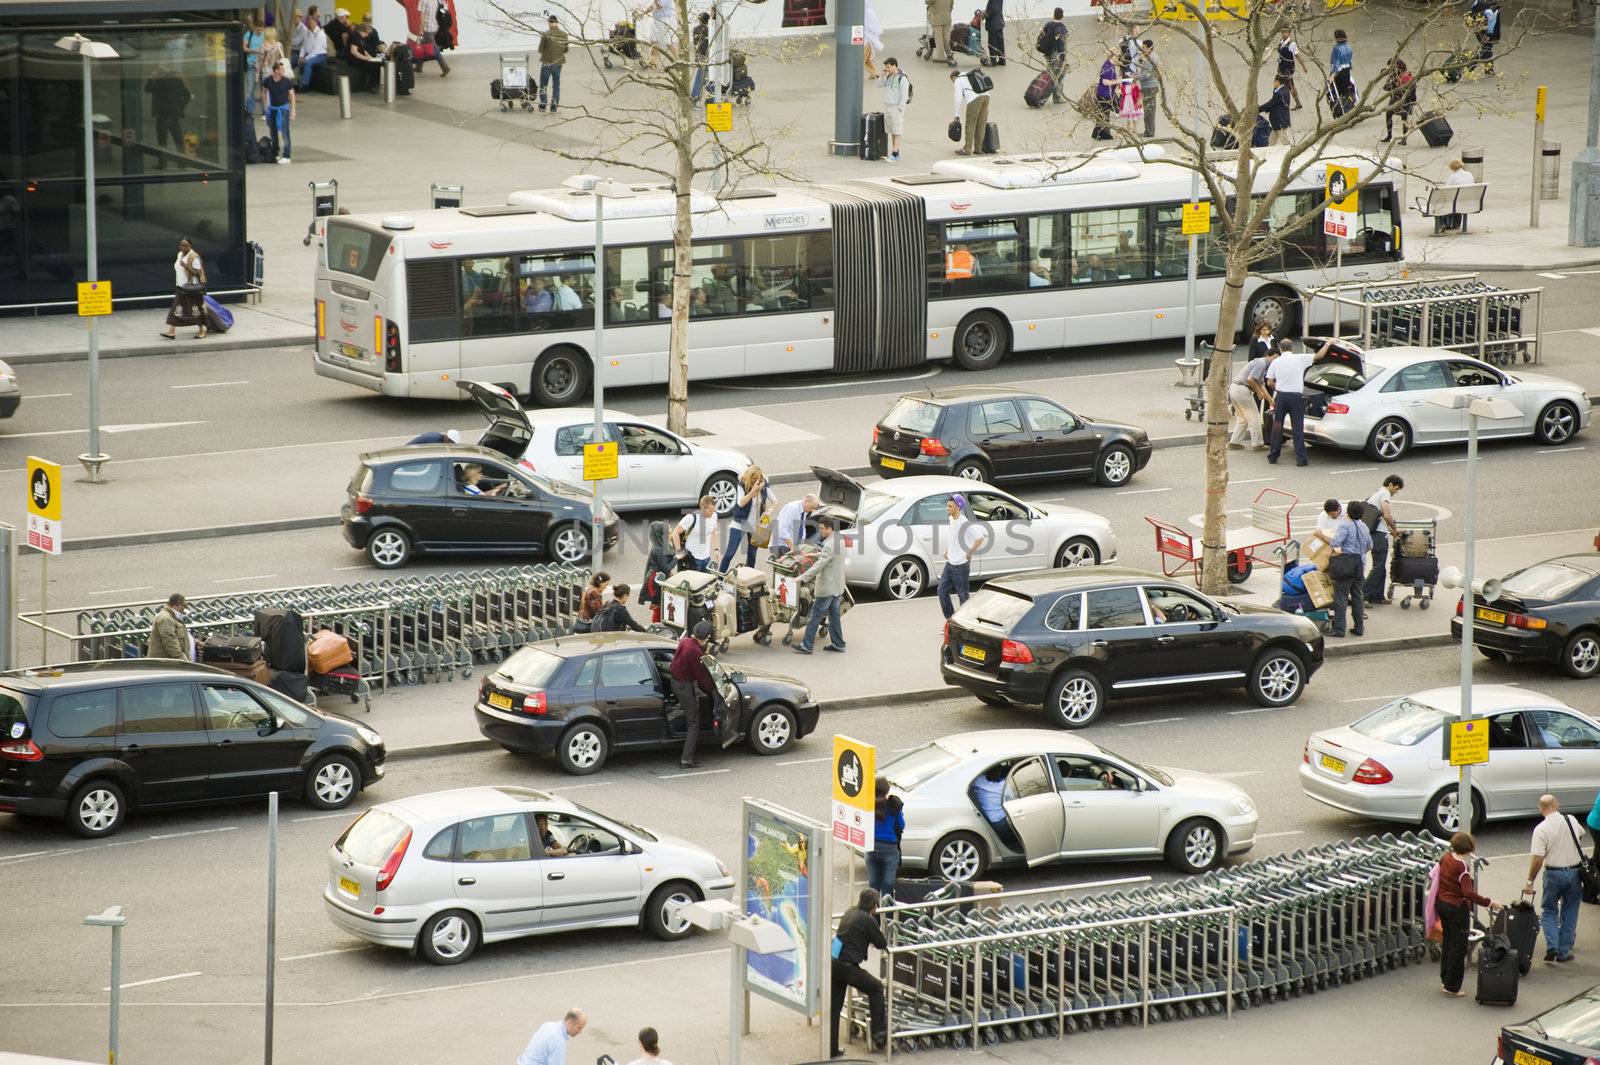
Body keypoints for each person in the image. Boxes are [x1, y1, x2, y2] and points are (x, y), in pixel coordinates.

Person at [1527, 793, 1587, 963]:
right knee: (1570, 912)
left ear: (1541, 809)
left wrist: (1530, 881)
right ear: (1557, 805)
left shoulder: (1541, 829)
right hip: (1574, 873)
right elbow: (1580, 835)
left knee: (1549, 910)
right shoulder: (1571, 820)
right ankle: (1564, 952)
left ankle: (1552, 945)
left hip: (1553, 873)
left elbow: (1537, 858)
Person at [1436, 833, 1497, 997]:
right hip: (1456, 908)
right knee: (1458, 947)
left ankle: (1445, 979)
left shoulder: (1446, 858)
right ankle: (1452, 986)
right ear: (1470, 848)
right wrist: (1489, 902)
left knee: (1448, 942)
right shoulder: (1462, 867)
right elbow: (1468, 893)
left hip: (1442, 904)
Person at [830, 889, 888, 1058]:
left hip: (834, 963)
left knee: (834, 1008)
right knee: (876, 988)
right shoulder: (868, 920)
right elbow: (881, 943)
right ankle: (879, 1035)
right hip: (848, 967)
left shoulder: (850, 912)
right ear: (874, 906)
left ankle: (831, 1049)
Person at [1265, 337, 1330, 466]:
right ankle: (1301, 458)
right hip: (1296, 398)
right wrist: (1328, 344)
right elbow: (1319, 356)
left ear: (1280, 349)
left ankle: (1273, 456)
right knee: (1297, 428)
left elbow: (1269, 382)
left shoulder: (1276, 362)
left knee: (1277, 426)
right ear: (1292, 348)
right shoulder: (1300, 358)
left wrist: (1277, 388)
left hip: (1281, 396)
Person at [795, 516, 846, 654]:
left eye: (823, 528)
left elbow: (820, 565)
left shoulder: (829, 544)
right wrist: (816, 553)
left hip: (827, 587)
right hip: (837, 586)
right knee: (834, 616)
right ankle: (839, 644)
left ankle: (806, 645)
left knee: (815, 615)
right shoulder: (838, 539)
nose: (821, 531)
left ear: (830, 528)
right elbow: (829, 556)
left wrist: (802, 577)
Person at [669, 621, 716, 768]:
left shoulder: (686, 642)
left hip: (675, 681)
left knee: (691, 714)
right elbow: (702, 679)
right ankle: (686, 759)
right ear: (705, 637)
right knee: (693, 721)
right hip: (684, 686)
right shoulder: (694, 651)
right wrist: (713, 693)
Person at [1328, 500, 1371, 638]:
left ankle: (1339, 629)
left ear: (1348, 513)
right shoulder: (1364, 526)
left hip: (1347, 563)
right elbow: (1370, 545)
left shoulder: (1345, 525)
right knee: (1358, 596)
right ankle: (1359, 627)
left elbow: (1335, 543)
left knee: (1341, 596)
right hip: (1360, 563)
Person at [938, 494, 986, 619]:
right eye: (947, 505)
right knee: (941, 591)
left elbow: (979, 537)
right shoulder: (951, 518)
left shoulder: (963, 522)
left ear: (958, 507)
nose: (947, 508)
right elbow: (953, 537)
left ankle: (965, 622)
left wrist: (970, 553)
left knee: (963, 596)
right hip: (950, 564)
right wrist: (948, 550)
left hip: (961, 566)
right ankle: (950, 620)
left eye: (950, 506)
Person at [720, 466, 773, 572]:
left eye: (759, 478)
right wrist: (752, 491)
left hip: (755, 525)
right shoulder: (742, 485)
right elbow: (741, 503)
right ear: (750, 478)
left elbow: (775, 500)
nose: (757, 481)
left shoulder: (763, 484)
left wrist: (769, 510)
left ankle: (749, 576)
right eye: (754, 479)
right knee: (730, 553)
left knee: (752, 554)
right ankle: (720, 577)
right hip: (740, 523)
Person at [1363, 474, 1403, 604]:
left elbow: (1380, 518)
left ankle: (1377, 596)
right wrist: (1395, 529)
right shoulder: (1385, 494)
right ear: (1390, 484)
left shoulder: (1377, 493)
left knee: (1381, 567)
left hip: (1377, 533)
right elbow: (1386, 515)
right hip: (1378, 536)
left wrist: (1391, 531)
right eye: (1396, 489)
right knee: (1378, 566)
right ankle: (1363, 595)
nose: (1395, 492)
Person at [1228, 341, 1275, 451]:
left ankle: (1234, 442)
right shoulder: (1262, 363)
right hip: (1242, 389)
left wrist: (1270, 400)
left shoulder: (1261, 364)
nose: (1275, 361)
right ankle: (1258, 444)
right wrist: (1258, 392)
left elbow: (1261, 385)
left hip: (1235, 388)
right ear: (1267, 355)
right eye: (1275, 358)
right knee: (1254, 417)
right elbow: (1251, 380)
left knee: (1243, 418)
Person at [143, 67, 192, 166]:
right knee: (177, 138)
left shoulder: (159, 82)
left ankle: (162, 162)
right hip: (174, 115)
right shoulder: (177, 81)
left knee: (162, 139)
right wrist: (179, 108)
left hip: (162, 114)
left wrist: (151, 77)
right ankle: (182, 162)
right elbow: (187, 96)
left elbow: (147, 89)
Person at [161, 238, 207, 340]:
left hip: (191, 288)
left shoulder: (194, 257)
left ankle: (202, 329)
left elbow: (198, 272)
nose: (183, 247)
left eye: (185, 246)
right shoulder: (179, 255)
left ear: (190, 246)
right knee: (176, 308)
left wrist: (186, 266)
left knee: (196, 309)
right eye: (181, 245)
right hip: (180, 287)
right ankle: (171, 331)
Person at [867, 776, 905, 900]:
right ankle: (887, 918)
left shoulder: (867, 804)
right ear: (887, 791)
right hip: (889, 849)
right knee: (888, 886)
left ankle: (874, 916)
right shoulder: (893, 805)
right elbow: (901, 825)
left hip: (871, 846)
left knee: (873, 885)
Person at [972, 764, 1020, 849]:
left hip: (989, 821)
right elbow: (1013, 804)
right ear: (999, 773)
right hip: (1001, 823)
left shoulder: (978, 782)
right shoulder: (1004, 786)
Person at [516, 1008, 587, 1065]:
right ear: (570, 1023)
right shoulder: (558, 1041)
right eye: (579, 1028)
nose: (580, 1032)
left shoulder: (548, 1025)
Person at [261, 60, 297, 165]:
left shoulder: (287, 82)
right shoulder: (268, 80)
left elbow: (292, 95)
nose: (284, 71)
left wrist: (293, 110)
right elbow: (263, 91)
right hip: (272, 109)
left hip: (283, 109)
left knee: (285, 133)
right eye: (282, 69)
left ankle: (287, 155)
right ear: (276, 71)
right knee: (273, 132)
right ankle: (275, 153)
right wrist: (266, 105)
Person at [671, 495, 720, 572]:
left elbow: (713, 532)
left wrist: (716, 549)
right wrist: (679, 551)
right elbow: (675, 532)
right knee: (693, 583)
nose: (713, 513)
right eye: (710, 511)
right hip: (692, 559)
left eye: (714, 510)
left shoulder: (714, 516)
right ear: (703, 508)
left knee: (706, 582)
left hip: (706, 558)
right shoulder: (691, 518)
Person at [950, 68, 990, 157]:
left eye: (952, 80)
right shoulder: (969, 75)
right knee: (981, 124)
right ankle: (978, 148)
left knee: (970, 124)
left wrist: (956, 115)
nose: (953, 83)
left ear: (954, 76)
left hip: (974, 99)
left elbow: (958, 98)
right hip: (986, 96)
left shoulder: (958, 80)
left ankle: (967, 149)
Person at [642, 520, 676, 619]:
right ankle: (656, 629)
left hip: (657, 579)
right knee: (658, 607)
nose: (671, 531)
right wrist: (677, 558)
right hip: (657, 582)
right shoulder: (659, 549)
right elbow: (666, 568)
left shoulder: (660, 545)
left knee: (661, 606)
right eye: (668, 531)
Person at [879, 58, 911, 162]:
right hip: (888, 106)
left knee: (897, 131)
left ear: (894, 66)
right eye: (886, 67)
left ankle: (895, 153)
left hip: (896, 108)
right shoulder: (889, 76)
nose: (887, 69)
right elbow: (878, 84)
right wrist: (882, 75)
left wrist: (900, 108)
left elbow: (904, 95)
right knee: (892, 130)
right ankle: (895, 152)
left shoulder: (902, 78)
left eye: (888, 67)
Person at [537, 14, 568, 113]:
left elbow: (540, 50)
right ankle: (554, 107)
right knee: (556, 85)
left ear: (549, 23)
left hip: (547, 63)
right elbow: (566, 49)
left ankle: (543, 105)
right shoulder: (564, 34)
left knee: (543, 85)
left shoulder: (546, 34)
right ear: (557, 22)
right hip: (558, 63)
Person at [1381, 58, 1415, 144]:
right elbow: (1386, 87)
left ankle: (1395, 137)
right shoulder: (1405, 74)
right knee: (1399, 116)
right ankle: (1399, 137)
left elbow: (1386, 87)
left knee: (1399, 116)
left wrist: (1393, 82)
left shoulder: (1401, 76)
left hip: (1400, 99)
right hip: (1403, 98)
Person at [774, 493, 819, 558]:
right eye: (811, 507)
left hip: (792, 545)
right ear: (806, 501)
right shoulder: (792, 508)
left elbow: (801, 528)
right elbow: (781, 528)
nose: (811, 510)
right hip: (783, 545)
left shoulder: (803, 511)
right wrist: (792, 547)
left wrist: (801, 546)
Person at [1436, 159, 1475, 232]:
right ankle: (1456, 224)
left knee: (1441, 202)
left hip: (1456, 202)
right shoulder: (1469, 174)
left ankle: (1443, 224)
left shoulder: (1452, 177)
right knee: (1458, 199)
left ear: (1452, 167)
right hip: (1468, 201)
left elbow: (1446, 190)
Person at [147, 593, 190, 659]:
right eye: (183, 606)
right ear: (178, 604)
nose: (183, 609)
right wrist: (184, 660)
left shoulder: (171, 617)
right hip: (165, 664)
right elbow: (170, 644)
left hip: (169, 663)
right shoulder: (165, 619)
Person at [348, 18, 385, 93]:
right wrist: (365, 58)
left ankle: (374, 84)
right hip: (353, 58)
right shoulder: (355, 36)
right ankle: (372, 86)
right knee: (372, 65)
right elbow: (353, 51)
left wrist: (369, 57)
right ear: (362, 31)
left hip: (358, 56)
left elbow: (363, 49)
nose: (367, 35)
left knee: (375, 63)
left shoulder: (359, 36)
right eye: (367, 33)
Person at [1040, 8, 1068, 103]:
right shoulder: (1062, 28)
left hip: (1048, 54)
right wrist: (1063, 59)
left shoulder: (1048, 25)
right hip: (1057, 55)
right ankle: (1056, 97)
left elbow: (1041, 38)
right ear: (1062, 16)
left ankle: (1041, 96)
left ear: (1053, 15)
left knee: (1050, 75)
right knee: (1059, 75)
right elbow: (1062, 44)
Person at [1132, 40, 1159, 138]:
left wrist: (1135, 77)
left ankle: (1149, 132)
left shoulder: (1150, 58)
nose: (1142, 49)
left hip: (1149, 87)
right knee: (1149, 110)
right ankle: (1148, 131)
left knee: (1149, 111)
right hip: (1150, 86)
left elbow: (1146, 75)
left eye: (1143, 48)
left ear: (1149, 48)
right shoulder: (1151, 56)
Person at [1091, 49, 1118, 140]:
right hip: (1104, 93)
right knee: (1104, 114)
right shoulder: (1108, 67)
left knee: (1103, 114)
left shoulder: (1111, 65)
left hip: (1105, 93)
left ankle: (1098, 133)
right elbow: (1105, 82)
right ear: (1113, 56)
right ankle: (1102, 133)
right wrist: (1118, 81)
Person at [243, 12, 265, 116]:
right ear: (255, 27)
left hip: (262, 65)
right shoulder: (249, 34)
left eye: (262, 30)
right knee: (251, 88)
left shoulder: (264, 35)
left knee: (263, 88)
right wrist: (255, 51)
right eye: (259, 30)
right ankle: (250, 111)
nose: (260, 32)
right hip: (251, 64)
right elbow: (244, 48)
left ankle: (264, 111)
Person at [297, 16, 329, 89]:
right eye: (308, 23)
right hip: (309, 54)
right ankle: (293, 83)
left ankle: (305, 85)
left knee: (308, 62)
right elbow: (303, 46)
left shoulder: (320, 34)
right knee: (293, 60)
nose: (309, 24)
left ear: (316, 22)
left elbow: (316, 50)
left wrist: (305, 58)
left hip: (320, 55)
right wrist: (301, 56)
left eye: (311, 22)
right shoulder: (307, 33)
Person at [1328, 29, 1355, 115]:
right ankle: (1349, 109)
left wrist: (1332, 76)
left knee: (1337, 93)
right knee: (1345, 92)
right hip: (1347, 71)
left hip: (1339, 73)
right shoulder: (1349, 47)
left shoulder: (1336, 48)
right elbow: (1350, 61)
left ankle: (1341, 111)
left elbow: (1336, 63)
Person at [1260, 74, 1291, 145]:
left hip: (1280, 120)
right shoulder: (1284, 89)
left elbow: (1271, 103)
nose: (1273, 82)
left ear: (1277, 81)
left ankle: (1292, 152)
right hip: (1277, 121)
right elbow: (1274, 104)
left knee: (1285, 140)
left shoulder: (1279, 93)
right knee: (1271, 141)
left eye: (1274, 81)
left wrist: (1259, 109)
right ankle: (1268, 153)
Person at [1277, 25, 1302, 110]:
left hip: (1288, 67)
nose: (1284, 34)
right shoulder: (1280, 42)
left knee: (1288, 85)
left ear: (1289, 33)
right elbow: (1280, 55)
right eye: (1282, 32)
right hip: (1282, 66)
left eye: (1285, 32)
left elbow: (1297, 55)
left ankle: (1294, 103)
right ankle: (1297, 103)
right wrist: (1278, 66)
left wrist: (1304, 66)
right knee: (1289, 85)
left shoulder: (1291, 44)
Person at [927, 0, 955, 65]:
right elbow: (951, 6)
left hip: (936, 19)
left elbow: (927, 2)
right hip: (947, 18)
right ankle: (949, 53)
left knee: (939, 38)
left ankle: (941, 57)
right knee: (947, 37)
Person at [982, 0, 1004, 65]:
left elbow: (993, 9)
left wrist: (985, 15)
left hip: (993, 24)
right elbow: (996, 8)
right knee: (1000, 44)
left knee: (992, 44)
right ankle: (1002, 60)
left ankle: (993, 61)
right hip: (999, 22)